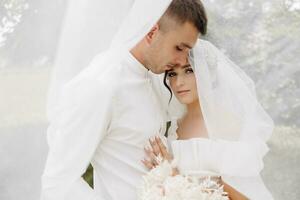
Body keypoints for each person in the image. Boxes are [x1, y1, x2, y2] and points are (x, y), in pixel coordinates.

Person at [40, 1, 207, 200]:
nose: (183, 60)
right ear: (152, 33)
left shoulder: (155, 80)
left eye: (187, 51)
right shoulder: (101, 85)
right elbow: (58, 183)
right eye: (179, 48)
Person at [142, 39, 274, 200]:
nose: (179, 82)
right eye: (172, 74)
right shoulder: (169, 127)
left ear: (208, 73)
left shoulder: (229, 124)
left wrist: (175, 177)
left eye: (189, 70)